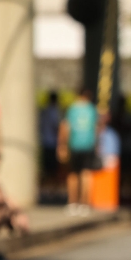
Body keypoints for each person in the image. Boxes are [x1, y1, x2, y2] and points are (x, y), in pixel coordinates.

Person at [57, 88, 98, 216]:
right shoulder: (92, 110)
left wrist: (62, 145)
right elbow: (96, 129)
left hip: (74, 145)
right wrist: (96, 144)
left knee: (73, 175)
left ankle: (72, 203)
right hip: (88, 145)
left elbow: (66, 127)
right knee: (86, 174)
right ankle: (85, 205)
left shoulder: (72, 109)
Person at [39, 90, 62, 180]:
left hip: (45, 140)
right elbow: (55, 126)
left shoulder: (44, 111)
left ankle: (48, 183)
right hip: (53, 141)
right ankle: (52, 184)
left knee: (47, 166)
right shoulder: (54, 111)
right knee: (52, 167)